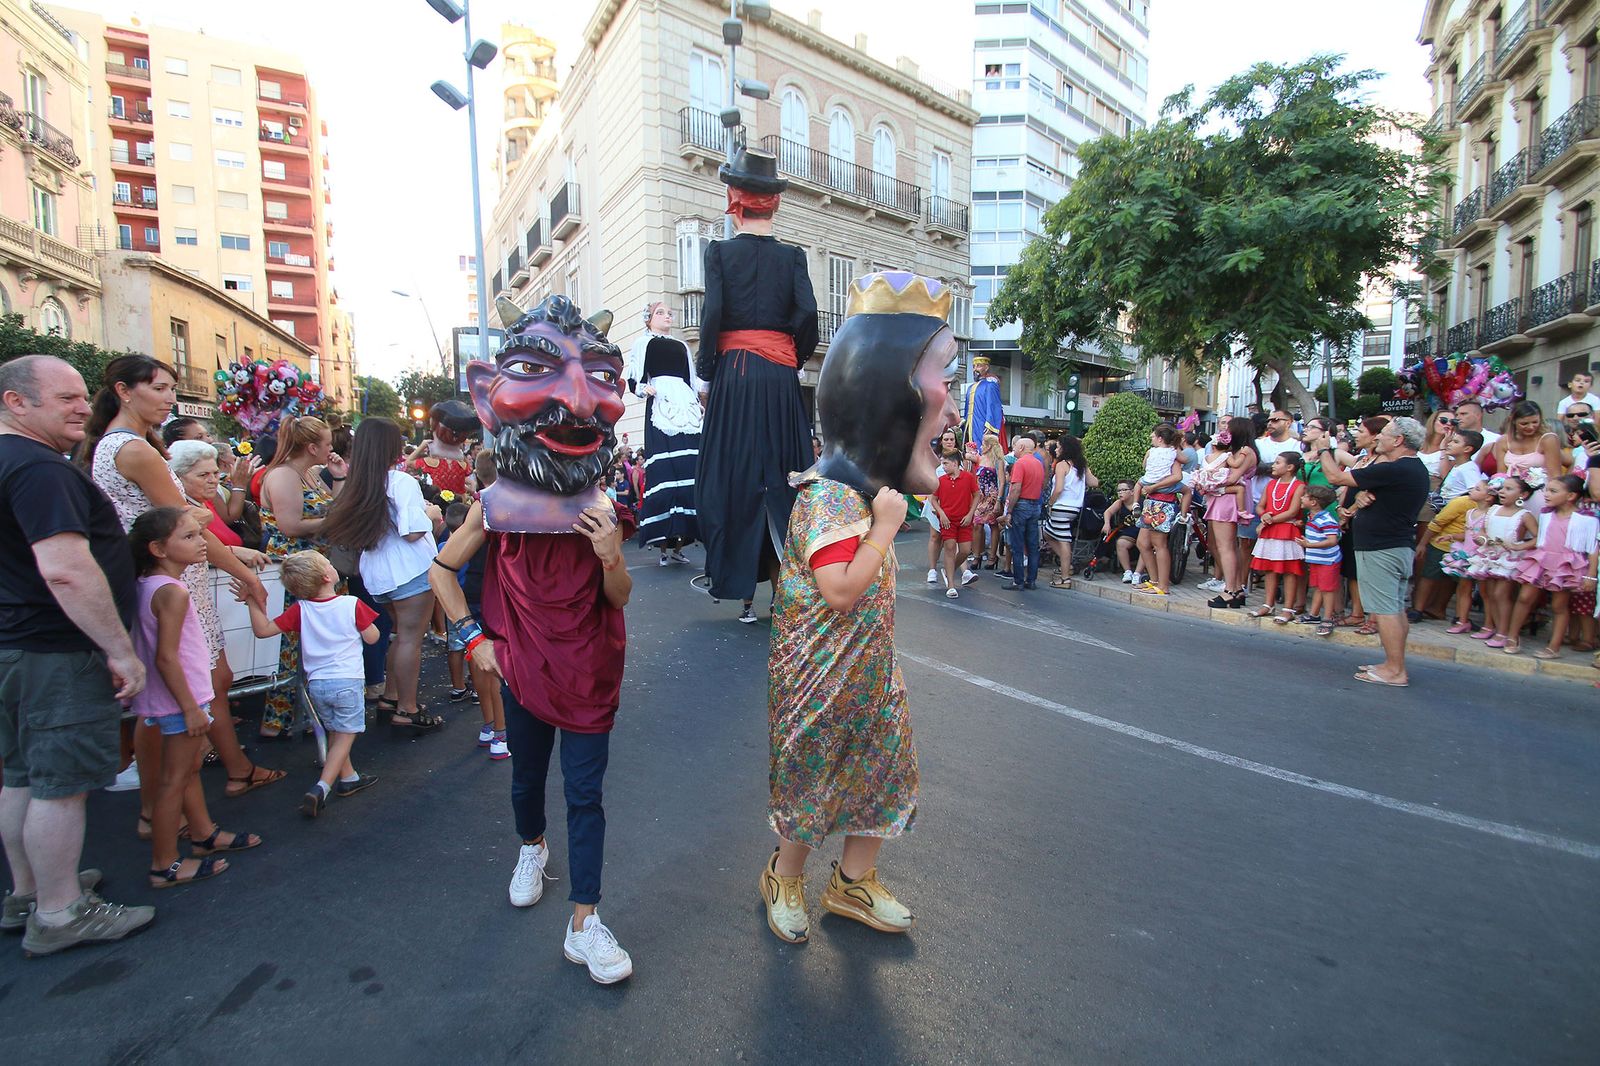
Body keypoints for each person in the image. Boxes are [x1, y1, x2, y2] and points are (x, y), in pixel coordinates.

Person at [760, 270, 957, 945]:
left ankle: (852, 882)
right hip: (818, 688)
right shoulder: (829, 499)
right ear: (888, 399)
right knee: (811, 785)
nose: (951, 410)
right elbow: (840, 589)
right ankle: (784, 879)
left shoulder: (866, 498)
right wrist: (886, 528)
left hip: (870, 680)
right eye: (943, 380)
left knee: (879, 777)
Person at [456, 293, 637, 985]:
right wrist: (474, 640)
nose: (578, 400)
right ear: (487, 394)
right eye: (538, 370)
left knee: (586, 795)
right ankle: (531, 846)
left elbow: (618, 598)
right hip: (522, 663)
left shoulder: (603, 508)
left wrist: (611, 555)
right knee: (528, 777)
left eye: (599, 378)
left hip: (590, 667)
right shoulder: (494, 507)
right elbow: (442, 572)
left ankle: (585, 922)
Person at [0, 355, 153, 955]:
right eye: (65, 398)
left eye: (81, 396)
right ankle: (60, 913)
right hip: (57, 650)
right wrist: (120, 649)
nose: (83, 408)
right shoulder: (39, 469)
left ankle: (30, 891)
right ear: (16, 402)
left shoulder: (15, 460)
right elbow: (65, 569)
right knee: (59, 785)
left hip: (20, 645)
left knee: (22, 774)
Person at [80, 354, 269, 832]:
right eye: (159, 388)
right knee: (174, 702)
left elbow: (192, 523)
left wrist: (221, 544)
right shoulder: (134, 449)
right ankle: (167, 811)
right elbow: (189, 524)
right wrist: (241, 569)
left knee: (195, 690)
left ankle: (185, 801)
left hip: (168, 574)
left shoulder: (129, 444)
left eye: (171, 388)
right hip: (170, 579)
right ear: (124, 391)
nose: (169, 398)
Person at [695, 147, 819, 625]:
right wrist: (792, 357)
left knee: (734, 476)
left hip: (736, 373)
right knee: (788, 475)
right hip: (780, 377)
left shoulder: (719, 253)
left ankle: (741, 587)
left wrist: (708, 369)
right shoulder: (793, 257)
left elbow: (712, 314)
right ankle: (789, 587)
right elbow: (807, 313)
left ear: (735, 201)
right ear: (775, 204)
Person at [128, 507, 261, 886]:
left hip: (170, 698)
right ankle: (165, 864)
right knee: (174, 780)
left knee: (185, 773)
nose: (202, 542)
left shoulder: (149, 584)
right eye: (189, 537)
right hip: (180, 700)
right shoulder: (172, 592)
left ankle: (203, 835)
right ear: (158, 548)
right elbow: (167, 657)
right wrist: (190, 708)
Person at [166, 440, 283, 798]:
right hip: (184, 599)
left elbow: (214, 535)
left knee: (218, 681)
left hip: (200, 597)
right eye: (202, 474)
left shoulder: (201, 506)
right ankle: (215, 775)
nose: (212, 479)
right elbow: (195, 542)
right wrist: (240, 563)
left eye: (214, 472)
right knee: (206, 688)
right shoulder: (178, 511)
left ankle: (230, 768)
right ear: (177, 478)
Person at [322, 418, 445, 735]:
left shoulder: (357, 484)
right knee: (410, 639)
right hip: (409, 569)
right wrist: (431, 515)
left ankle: (391, 698)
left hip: (377, 573)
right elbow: (412, 532)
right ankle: (408, 709)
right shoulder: (400, 482)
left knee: (399, 637)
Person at [240, 550, 381, 815]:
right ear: (327, 576)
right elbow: (372, 637)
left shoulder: (300, 609)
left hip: (316, 684)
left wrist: (250, 602)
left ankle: (349, 777)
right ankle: (322, 787)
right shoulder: (351, 604)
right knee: (346, 735)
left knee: (336, 731)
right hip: (347, 680)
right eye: (328, 563)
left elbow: (263, 630)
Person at [1318, 416, 1430, 687]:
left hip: (1382, 549)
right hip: (1395, 546)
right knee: (1395, 609)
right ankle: (1394, 664)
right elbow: (1370, 496)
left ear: (1399, 440)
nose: (1379, 437)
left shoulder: (1397, 469)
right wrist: (1359, 498)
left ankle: (1395, 670)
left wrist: (1324, 449)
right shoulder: (1411, 469)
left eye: (1385, 433)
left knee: (1386, 610)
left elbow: (1335, 476)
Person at [258, 416, 346, 738]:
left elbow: (332, 508)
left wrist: (339, 477)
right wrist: (332, 522)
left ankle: (314, 713)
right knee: (292, 643)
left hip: (318, 565)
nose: (331, 448)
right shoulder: (283, 476)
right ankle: (277, 720)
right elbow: (290, 526)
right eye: (327, 443)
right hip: (296, 570)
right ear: (311, 447)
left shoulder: (309, 474)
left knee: (318, 642)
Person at [625, 300, 703, 565]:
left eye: (669, 313)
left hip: (685, 405)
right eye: (661, 312)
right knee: (665, 474)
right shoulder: (643, 343)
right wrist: (642, 388)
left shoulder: (681, 345)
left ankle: (681, 544)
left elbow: (691, 378)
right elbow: (634, 376)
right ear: (649, 318)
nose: (667, 316)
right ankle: (662, 546)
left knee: (688, 472)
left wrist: (697, 402)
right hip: (661, 403)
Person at [1503, 474, 1599, 658]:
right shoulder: (1546, 513)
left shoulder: (1586, 519)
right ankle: (1512, 637)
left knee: (1558, 606)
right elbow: (1541, 539)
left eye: (1553, 491)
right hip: (1542, 559)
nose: (1546, 494)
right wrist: (1519, 546)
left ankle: (1553, 647)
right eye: (1546, 490)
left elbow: (1592, 548)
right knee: (1524, 597)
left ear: (1571, 496)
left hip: (1565, 564)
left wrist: (1591, 575)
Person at [1463, 476, 1537, 647]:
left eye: (1509, 489)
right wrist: (1482, 539)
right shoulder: (1493, 510)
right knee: (1490, 594)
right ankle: (1497, 629)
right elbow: (1483, 530)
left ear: (1523, 494)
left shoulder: (1524, 515)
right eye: (1502, 488)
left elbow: (1537, 537)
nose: (1502, 491)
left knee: (1500, 594)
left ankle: (1504, 632)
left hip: (1508, 559)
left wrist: (1518, 546)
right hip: (1490, 555)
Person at [1202, 417, 1259, 608]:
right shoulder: (1241, 452)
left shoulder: (1245, 451)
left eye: (1229, 427)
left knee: (1225, 546)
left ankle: (1230, 590)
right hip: (1229, 498)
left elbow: (1233, 478)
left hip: (1228, 499)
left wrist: (1209, 483)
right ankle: (1236, 588)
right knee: (1229, 546)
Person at [1248, 450, 1307, 623]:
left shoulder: (1299, 486)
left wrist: (1269, 519)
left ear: (1290, 467)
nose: (1273, 466)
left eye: (1277, 463)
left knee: (1289, 570)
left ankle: (1288, 608)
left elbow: (1293, 511)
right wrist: (1263, 514)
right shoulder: (1271, 484)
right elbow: (1260, 506)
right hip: (1270, 530)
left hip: (1287, 531)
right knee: (1269, 568)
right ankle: (1268, 604)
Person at [1133, 424, 1184, 596]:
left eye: (1153, 435)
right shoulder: (1157, 454)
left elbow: (1177, 476)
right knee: (1142, 543)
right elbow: (1145, 467)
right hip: (1151, 500)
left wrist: (1155, 486)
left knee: (1159, 544)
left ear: (1161, 438)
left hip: (1162, 501)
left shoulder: (1172, 456)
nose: (1151, 437)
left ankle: (1163, 585)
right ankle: (1154, 580)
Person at [1440, 478, 1495, 635]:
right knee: (1464, 588)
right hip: (1467, 554)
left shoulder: (1491, 514)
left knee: (1485, 592)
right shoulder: (1470, 512)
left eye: (1477, 489)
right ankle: (1462, 621)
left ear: (1489, 497)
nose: (1471, 490)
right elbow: (1467, 535)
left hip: (1481, 556)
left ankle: (1489, 625)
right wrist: (1451, 536)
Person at [1492, 401, 1567, 514]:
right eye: (1524, 423)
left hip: (1540, 493)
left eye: (1535, 422)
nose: (1531, 427)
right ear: (1513, 421)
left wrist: (1557, 499)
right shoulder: (1503, 441)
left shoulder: (1548, 439)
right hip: (1511, 494)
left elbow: (1555, 475)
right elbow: (1501, 474)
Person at [1044, 435, 1095, 589]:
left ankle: (1065, 577)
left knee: (1063, 540)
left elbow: (1058, 488)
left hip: (1061, 506)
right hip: (1074, 508)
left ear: (1065, 448)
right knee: (1048, 533)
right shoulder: (1081, 465)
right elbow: (1094, 482)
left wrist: (1050, 503)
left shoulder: (1062, 465)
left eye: (1058, 447)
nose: (1056, 449)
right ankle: (1067, 563)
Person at [928, 450, 978, 598]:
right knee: (949, 548)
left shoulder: (968, 477)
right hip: (947, 521)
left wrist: (970, 513)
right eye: (942, 463)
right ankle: (951, 585)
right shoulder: (941, 480)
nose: (943, 467)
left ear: (955, 463)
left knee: (965, 550)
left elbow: (976, 495)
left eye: (946, 463)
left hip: (964, 519)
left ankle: (948, 570)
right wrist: (941, 514)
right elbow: (933, 499)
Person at [999, 433, 1045, 590]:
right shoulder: (1039, 463)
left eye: (1016, 447)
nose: (1014, 450)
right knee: (1032, 545)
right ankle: (1031, 580)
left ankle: (1018, 581)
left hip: (1021, 505)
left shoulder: (1020, 464)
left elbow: (1016, 489)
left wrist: (1009, 511)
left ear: (1022, 447)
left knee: (1017, 545)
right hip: (1035, 505)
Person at [1298, 484, 1342, 635]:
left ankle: (1328, 617)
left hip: (1328, 560)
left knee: (1327, 589)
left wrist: (1309, 545)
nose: (1301, 498)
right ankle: (1314, 614)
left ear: (1313, 502)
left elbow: (1332, 540)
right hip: (1317, 560)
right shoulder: (1312, 517)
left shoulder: (1326, 520)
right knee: (1318, 587)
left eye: (1305, 496)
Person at [924, 428, 960, 585]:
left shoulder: (961, 458)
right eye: (946, 439)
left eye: (952, 439)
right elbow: (929, 481)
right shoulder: (934, 458)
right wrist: (934, 504)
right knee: (935, 536)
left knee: (953, 539)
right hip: (936, 501)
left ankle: (953, 568)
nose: (949, 442)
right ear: (941, 442)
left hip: (955, 504)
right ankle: (932, 569)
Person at [967, 431, 1005, 572]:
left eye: (983, 444)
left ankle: (992, 556)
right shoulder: (980, 458)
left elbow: (1002, 482)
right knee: (977, 524)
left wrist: (999, 500)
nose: (981, 446)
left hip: (992, 496)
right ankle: (977, 555)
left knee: (993, 525)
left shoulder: (998, 461)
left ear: (989, 446)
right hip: (981, 496)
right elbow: (967, 455)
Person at [962, 355, 1006, 449]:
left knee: (983, 448)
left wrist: (990, 425)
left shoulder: (990, 385)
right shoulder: (970, 388)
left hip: (982, 424)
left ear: (986, 367)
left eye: (978, 366)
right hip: (970, 426)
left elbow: (993, 406)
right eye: (974, 366)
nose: (975, 369)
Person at [1102, 481, 1142, 582]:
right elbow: (1108, 512)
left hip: (1143, 530)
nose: (1120, 493)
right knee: (1121, 543)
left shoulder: (1141, 502)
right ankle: (1127, 572)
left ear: (1132, 492)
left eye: (1124, 490)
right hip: (1129, 530)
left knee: (1145, 545)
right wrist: (1107, 523)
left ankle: (1137, 573)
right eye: (1118, 490)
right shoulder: (1119, 503)